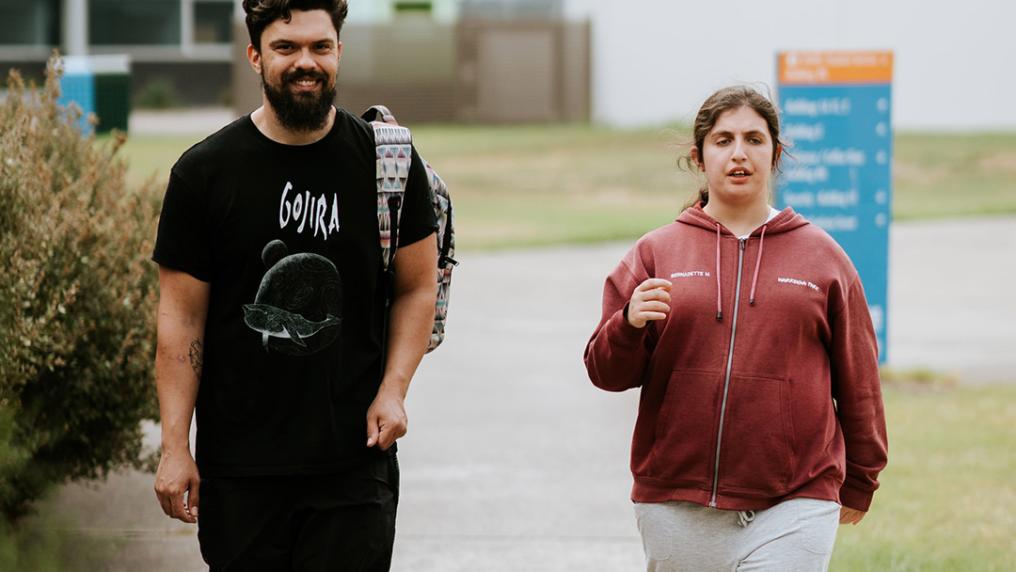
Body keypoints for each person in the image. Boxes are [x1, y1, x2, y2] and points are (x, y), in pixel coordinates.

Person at [151, 1, 438, 569]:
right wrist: (174, 447)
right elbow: (181, 320)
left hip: (355, 465)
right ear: (255, 55)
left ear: (338, 52)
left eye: (320, 47)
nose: (305, 62)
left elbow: (416, 286)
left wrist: (393, 390)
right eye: (286, 48)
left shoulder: (391, 166)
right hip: (240, 471)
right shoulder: (204, 174)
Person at [583, 86, 888, 571]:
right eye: (723, 140)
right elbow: (606, 371)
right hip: (675, 501)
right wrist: (629, 323)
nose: (739, 153)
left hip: (796, 500)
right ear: (699, 157)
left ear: (777, 153)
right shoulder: (656, 252)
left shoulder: (824, 258)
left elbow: (860, 381)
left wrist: (861, 477)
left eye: (754, 139)